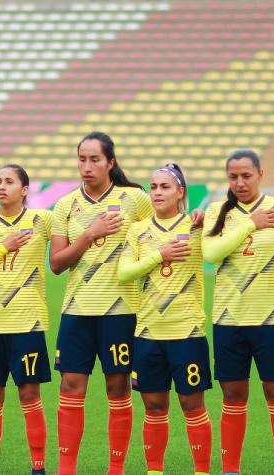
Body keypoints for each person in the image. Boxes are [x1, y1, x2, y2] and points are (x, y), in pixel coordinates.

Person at [49, 132, 153, 475]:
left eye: (95, 159)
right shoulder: (65, 205)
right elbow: (57, 263)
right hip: (76, 312)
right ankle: (66, 469)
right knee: (70, 387)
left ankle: (116, 469)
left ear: (111, 162)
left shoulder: (134, 199)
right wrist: (89, 234)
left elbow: (163, 229)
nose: (87, 166)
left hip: (121, 311)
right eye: (82, 159)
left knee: (118, 386)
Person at [202, 149, 274, 475]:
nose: (239, 182)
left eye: (246, 175)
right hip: (229, 319)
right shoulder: (217, 211)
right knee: (233, 395)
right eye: (233, 176)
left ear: (261, 174)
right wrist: (250, 223)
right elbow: (211, 253)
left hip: (272, 319)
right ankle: (231, 469)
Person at [117, 163, 212, 475]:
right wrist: (160, 254)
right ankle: (154, 470)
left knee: (193, 406)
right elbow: (124, 273)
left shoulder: (197, 226)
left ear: (180, 192)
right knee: (154, 407)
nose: (157, 192)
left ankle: (201, 470)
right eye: (154, 187)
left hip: (188, 332)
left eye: (165, 187)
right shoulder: (138, 230)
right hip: (147, 332)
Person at [0, 165, 52, 475]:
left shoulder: (42, 220)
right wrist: (4, 247)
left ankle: (38, 468)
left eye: (9, 182)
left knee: (30, 395)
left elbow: (74, 231)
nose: (1, 187)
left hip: (28, 325)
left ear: (25, 189)